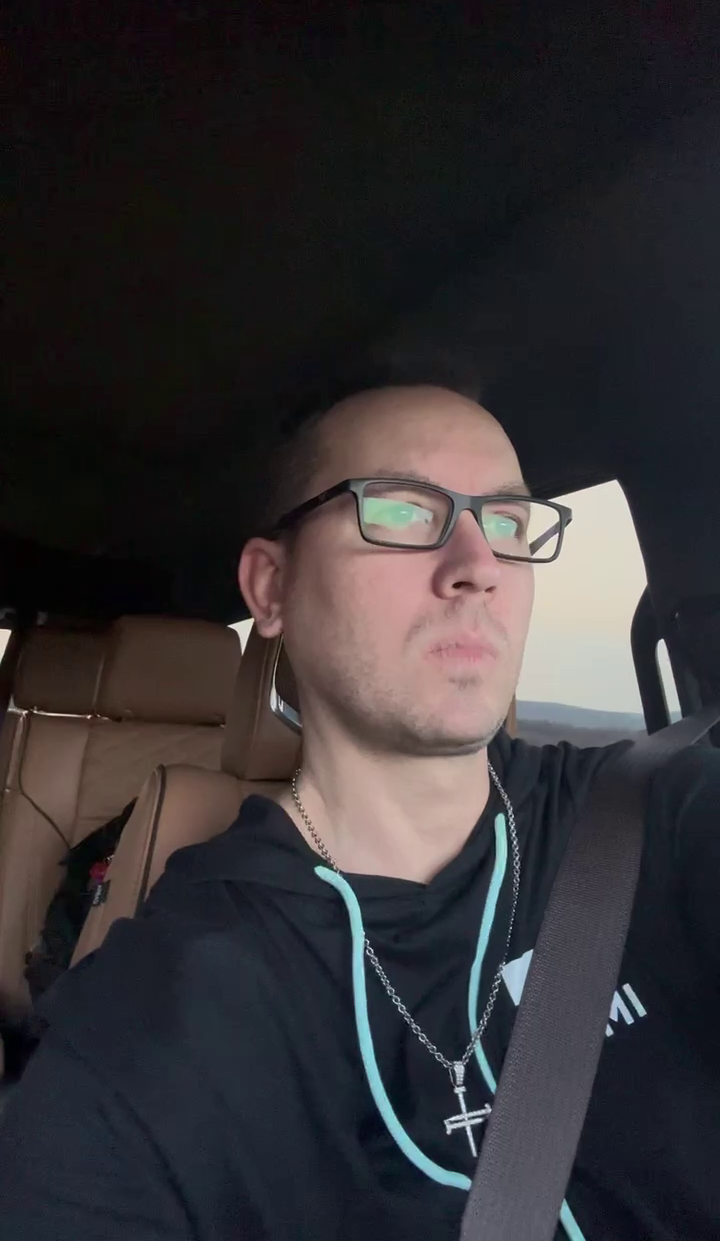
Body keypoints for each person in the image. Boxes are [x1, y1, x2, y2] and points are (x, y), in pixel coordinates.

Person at [1, 382, 719, 1241]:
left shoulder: (662, 813)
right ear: (271, 588)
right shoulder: (164, 1012)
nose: (479, 566)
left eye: (507, 522)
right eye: (404, 512)